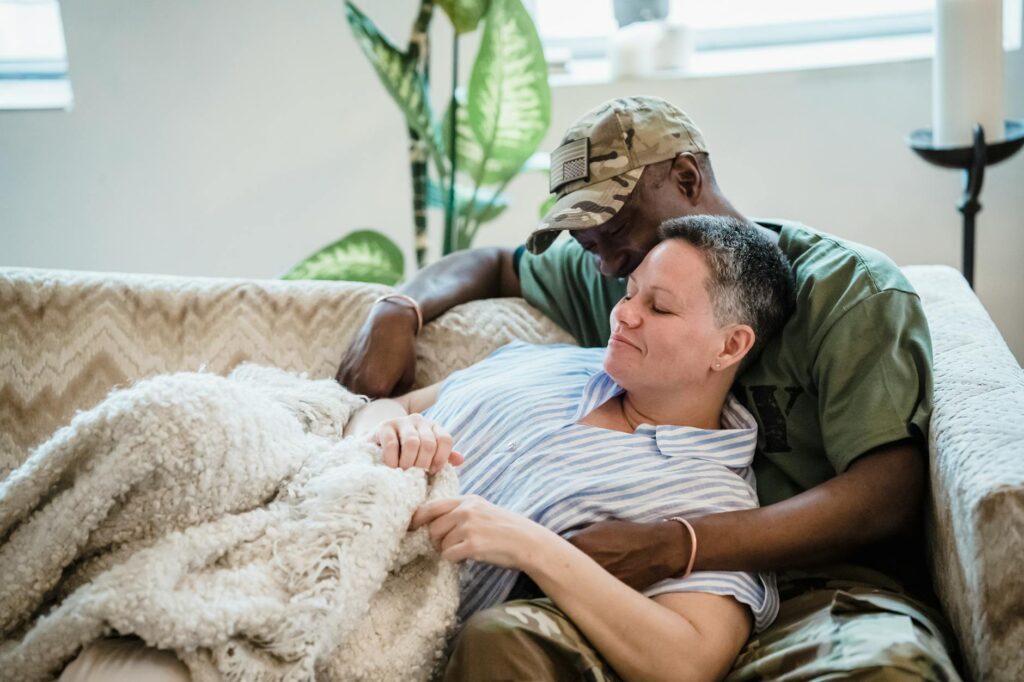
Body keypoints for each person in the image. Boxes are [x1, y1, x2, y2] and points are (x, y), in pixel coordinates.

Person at [337, 96, 962, 680]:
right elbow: (496, 264)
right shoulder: (623, 274)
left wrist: (678, 544)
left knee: (889, 670)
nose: (610, 268)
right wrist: (397, 309)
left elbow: (887, 494)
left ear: (687, 177)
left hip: (821, 588)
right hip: (627, 584)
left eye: (615, 228)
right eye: (589, 242)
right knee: (504, 638)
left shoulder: (845, 291)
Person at [342, 215, 794, 681]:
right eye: (630, 292)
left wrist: (530, 545)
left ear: (730, 345)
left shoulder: (713, 497)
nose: (624, 314)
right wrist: (394, 431)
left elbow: (689, 662)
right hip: (328, 523)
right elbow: (387, 406)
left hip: (378, 634)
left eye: (659, 308)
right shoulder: (544, 361)